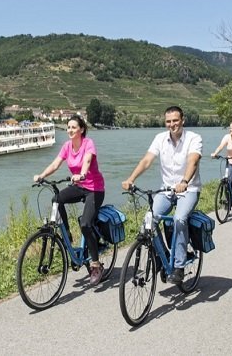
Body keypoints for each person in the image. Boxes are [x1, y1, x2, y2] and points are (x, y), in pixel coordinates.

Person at [121, 106, 202, 284]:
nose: (172, 124)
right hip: (166, 190)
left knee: (179, 219)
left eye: (175, 120)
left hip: (188, 189)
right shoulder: (160, 138)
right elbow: (147, 160)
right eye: (168, 121)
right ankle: (163, 255)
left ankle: (179, 266)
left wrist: (184, 181)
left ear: (182, 120)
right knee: (148, 221)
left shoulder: (193, 138)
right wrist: (131, 179)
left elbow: (193, 161)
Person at [34, 115, 106, 286]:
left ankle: (96, 265)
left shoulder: (88, 143)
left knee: (85, 224)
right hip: (78, 186)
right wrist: (42, 175)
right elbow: (55, 164)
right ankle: (67, 233)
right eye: (68, 127)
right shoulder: (67, 146)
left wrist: (82, 174)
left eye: (74, 127)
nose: (70, 130)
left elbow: (87, 160)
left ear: (81, 129)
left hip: (94, 189)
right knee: (56, 199)